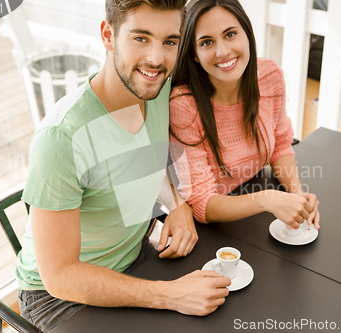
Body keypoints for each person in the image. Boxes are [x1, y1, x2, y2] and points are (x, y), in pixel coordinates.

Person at [16, 1, 231, 331]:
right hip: (58, 297)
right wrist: (169, 295)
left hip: (132, 256)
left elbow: (139, 156)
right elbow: (60, 276)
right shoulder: (60, 138)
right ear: (108, 35)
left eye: (169, 41)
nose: (156, 59)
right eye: (141, 38)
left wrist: (177, 205)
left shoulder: (154, 90)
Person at [169, 0, 320, 230]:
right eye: (207, 42)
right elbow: (202, 203)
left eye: (230, 34)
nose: (223, 51)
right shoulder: (183, 106)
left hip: (254, 208)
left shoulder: (270, 76)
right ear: (195, 54)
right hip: (215, 228)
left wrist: (297, 195)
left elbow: (280, 144)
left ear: (247, 34)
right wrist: (267, 200)